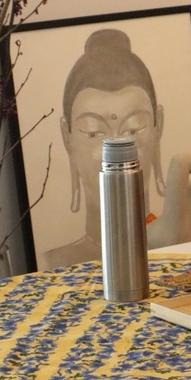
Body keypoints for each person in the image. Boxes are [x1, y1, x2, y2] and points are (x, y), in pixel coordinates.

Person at [42, 28, 166, 269]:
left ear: (157, 125)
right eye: (93, 132)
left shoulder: (183, 251)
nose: (116, 147)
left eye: (133, 128)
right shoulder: (51, 264)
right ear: (67, 137)